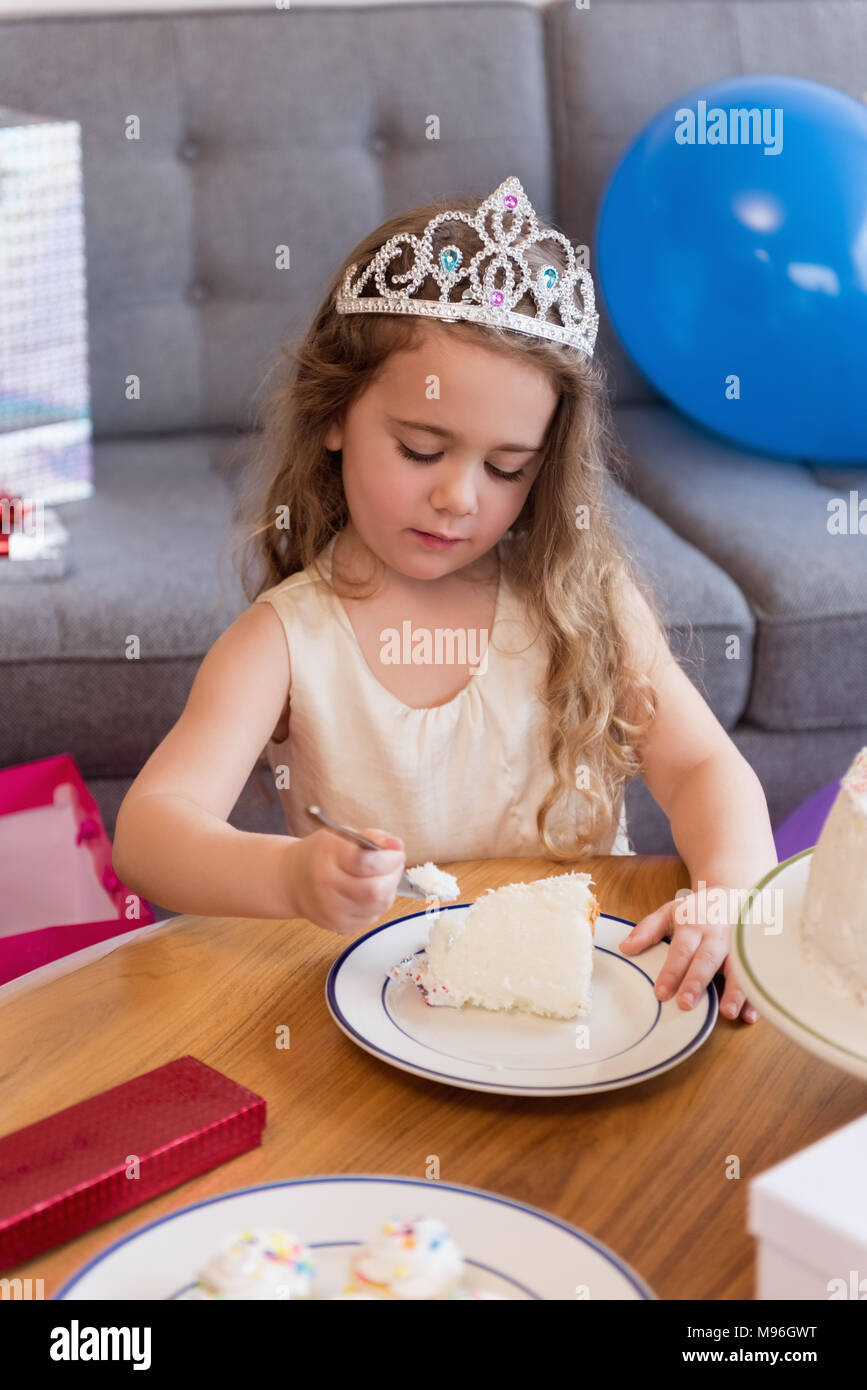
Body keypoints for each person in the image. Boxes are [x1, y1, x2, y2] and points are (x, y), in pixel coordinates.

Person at [112, 177, 775, 1023]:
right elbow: (151, 830)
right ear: (334, 414)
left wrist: (731, 891)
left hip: (588, 1000)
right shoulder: (285, 641)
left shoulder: (585, 603)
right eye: (422, 448)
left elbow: (701, 768)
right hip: (380, 1013)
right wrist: (286, 874)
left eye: (506, 468)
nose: (460, 497)